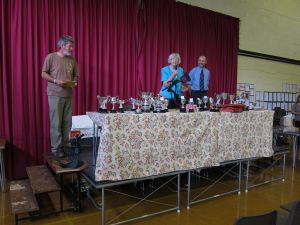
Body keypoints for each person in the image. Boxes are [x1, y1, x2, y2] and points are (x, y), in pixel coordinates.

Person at [41, 35, 79, 157]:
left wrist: (74, 82)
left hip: (68, 95)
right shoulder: (51, 57)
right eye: (70, 46)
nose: (72, 48)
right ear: (62, 46)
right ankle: (56, 149)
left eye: (72, 46)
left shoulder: (72, 60)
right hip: (54, 95)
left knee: (67, 123)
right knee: (56, 122)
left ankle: (65, 146)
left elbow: (75, 76)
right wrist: (56, 81)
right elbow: (43, 73)